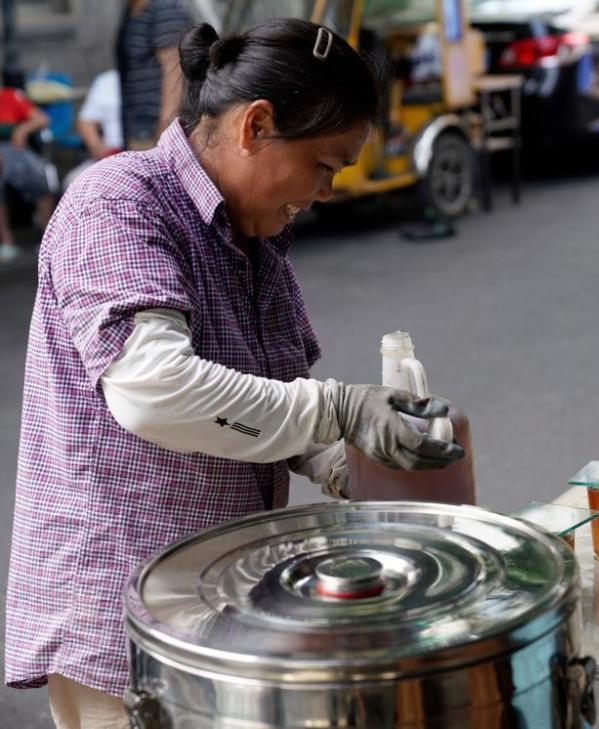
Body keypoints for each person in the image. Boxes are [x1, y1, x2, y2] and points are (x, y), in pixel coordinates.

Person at [4, 19, 463, 729]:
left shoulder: (256, 238)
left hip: (223, 601)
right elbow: (155, 391)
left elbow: (267, 400)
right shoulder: (118, 202)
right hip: (123, 614)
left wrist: (350, 462)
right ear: (256, 126)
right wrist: (339, 407)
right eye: (324, 165)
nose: (329, 190)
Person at [117, 0, 190, 150]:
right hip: (136, 124)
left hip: (154, 127)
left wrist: (166, 128)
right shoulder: (131, 11)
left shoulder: (164, 7)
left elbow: (174, 70)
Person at [0, 70, 57, 259]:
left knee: (38, 176)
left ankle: (48, 235)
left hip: (14, 150)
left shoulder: (10, 97)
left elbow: (41, 118)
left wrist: (23, 129)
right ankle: (6, 241)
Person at [62, 69, 124, 191]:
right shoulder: (107, 80)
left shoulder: (169, 78)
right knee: (73, 183)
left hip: (152, 156)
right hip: (112, 156)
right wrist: (97, 146)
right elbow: (85, 121)